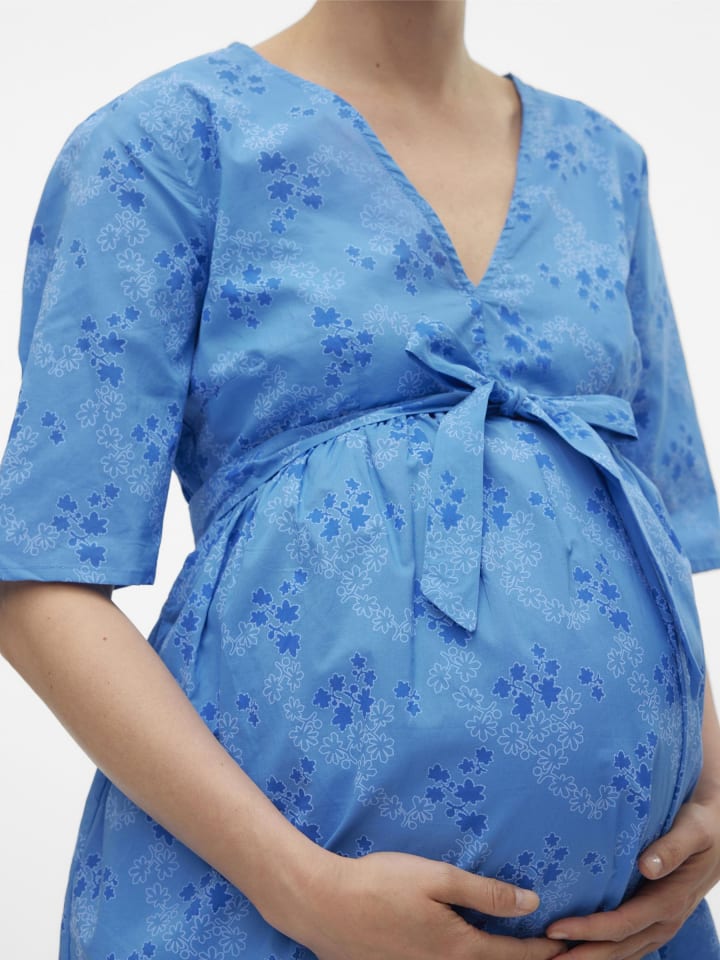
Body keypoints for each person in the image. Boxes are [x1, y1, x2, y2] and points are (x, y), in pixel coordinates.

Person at [1, 2, 720, 957]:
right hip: (260, 916)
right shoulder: (168, 143)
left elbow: (647, 527)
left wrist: (712, 797)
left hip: (628, 935)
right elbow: (38, 577)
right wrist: (298, 888)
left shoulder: (605, 165)